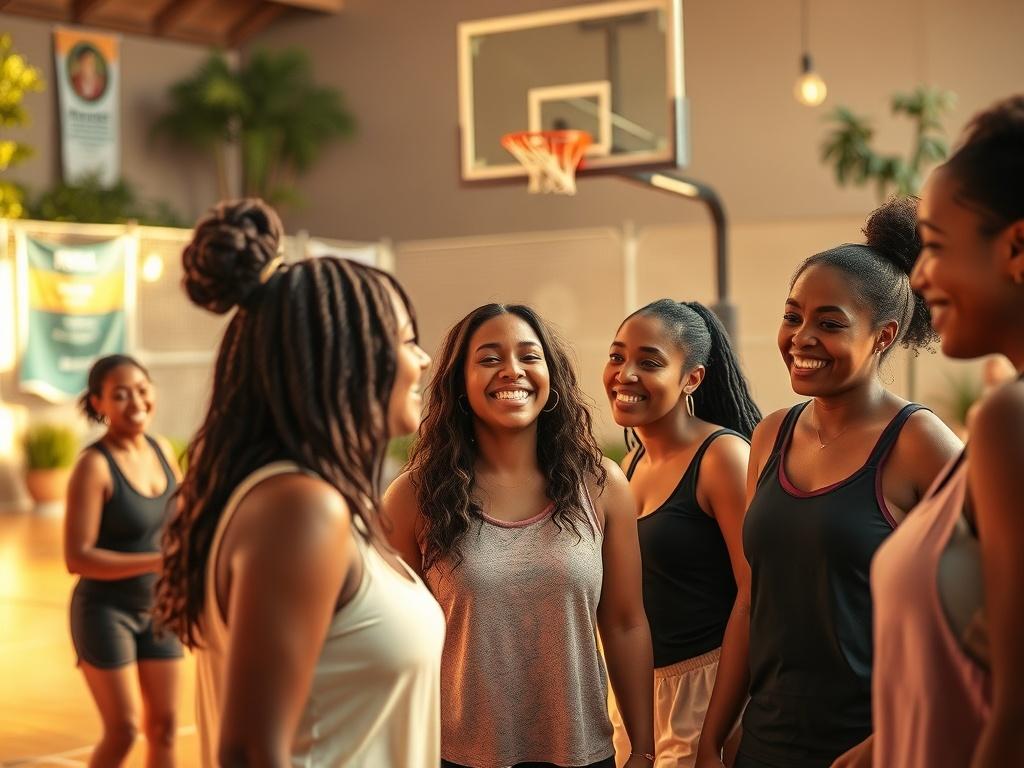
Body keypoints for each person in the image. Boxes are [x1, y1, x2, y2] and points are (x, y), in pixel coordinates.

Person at [152, 199, 444, 767]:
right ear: (349, 359)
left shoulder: (314, 501)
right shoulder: (300, 508)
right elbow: (251, 752)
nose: (424, 359)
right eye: (407, 340)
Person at [729, 197, 962, 768]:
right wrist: (716, 736)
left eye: (829, 323)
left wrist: (887, 741)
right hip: (766, 740)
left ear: (883, 336)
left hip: (875, 745)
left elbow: (981, 618)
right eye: (792, 316)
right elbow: (752, 597)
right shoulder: (771, 435)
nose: (801, 337)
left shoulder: (920, 444)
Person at [383, 303, 655, 768]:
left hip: (583, 755)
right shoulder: (414, 496)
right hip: (455, 757)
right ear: (459, 383)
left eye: (529, 357)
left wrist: (645, 749)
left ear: (551, 376)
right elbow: (393, 642)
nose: (512, 370)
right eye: (489, 358)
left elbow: (626, 623)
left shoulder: (603, 485)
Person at [872, 94, 1024, 767]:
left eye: (935, 247)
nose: (921, 274)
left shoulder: (1005, 420)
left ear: (1017, 248)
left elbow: (1014, 718)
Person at [603, 299, 760, 768]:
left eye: (649, 362)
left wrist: (720, 729)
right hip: (635, 699)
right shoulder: (627, 467)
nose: (625, 374)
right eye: (616, 357)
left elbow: (756, 594)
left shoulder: (721, 457)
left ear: (691, 378)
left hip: (707, 691)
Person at [65, 354, 184, 767]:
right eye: (119, 394)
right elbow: (77, 558)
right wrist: (155, 563)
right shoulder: (93, 465)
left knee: (166, 727)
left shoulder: (161, 449)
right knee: (124, 730)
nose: (135, 401)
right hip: (104, 611)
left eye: (141, 389)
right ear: (98, 403)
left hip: (159, 608)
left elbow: (184, 518)